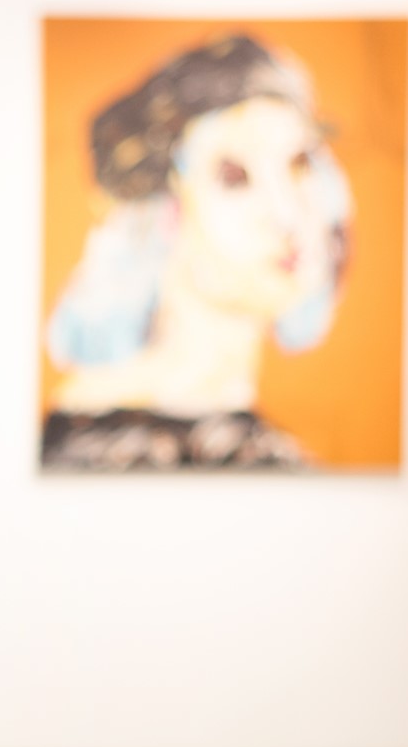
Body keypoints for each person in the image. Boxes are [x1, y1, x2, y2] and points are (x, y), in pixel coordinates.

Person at [43, 33, 351, 470]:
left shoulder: (266, 453)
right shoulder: (89, 447)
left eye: (300, 164)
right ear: (167, 208)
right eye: (234, 176)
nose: (288, 216)